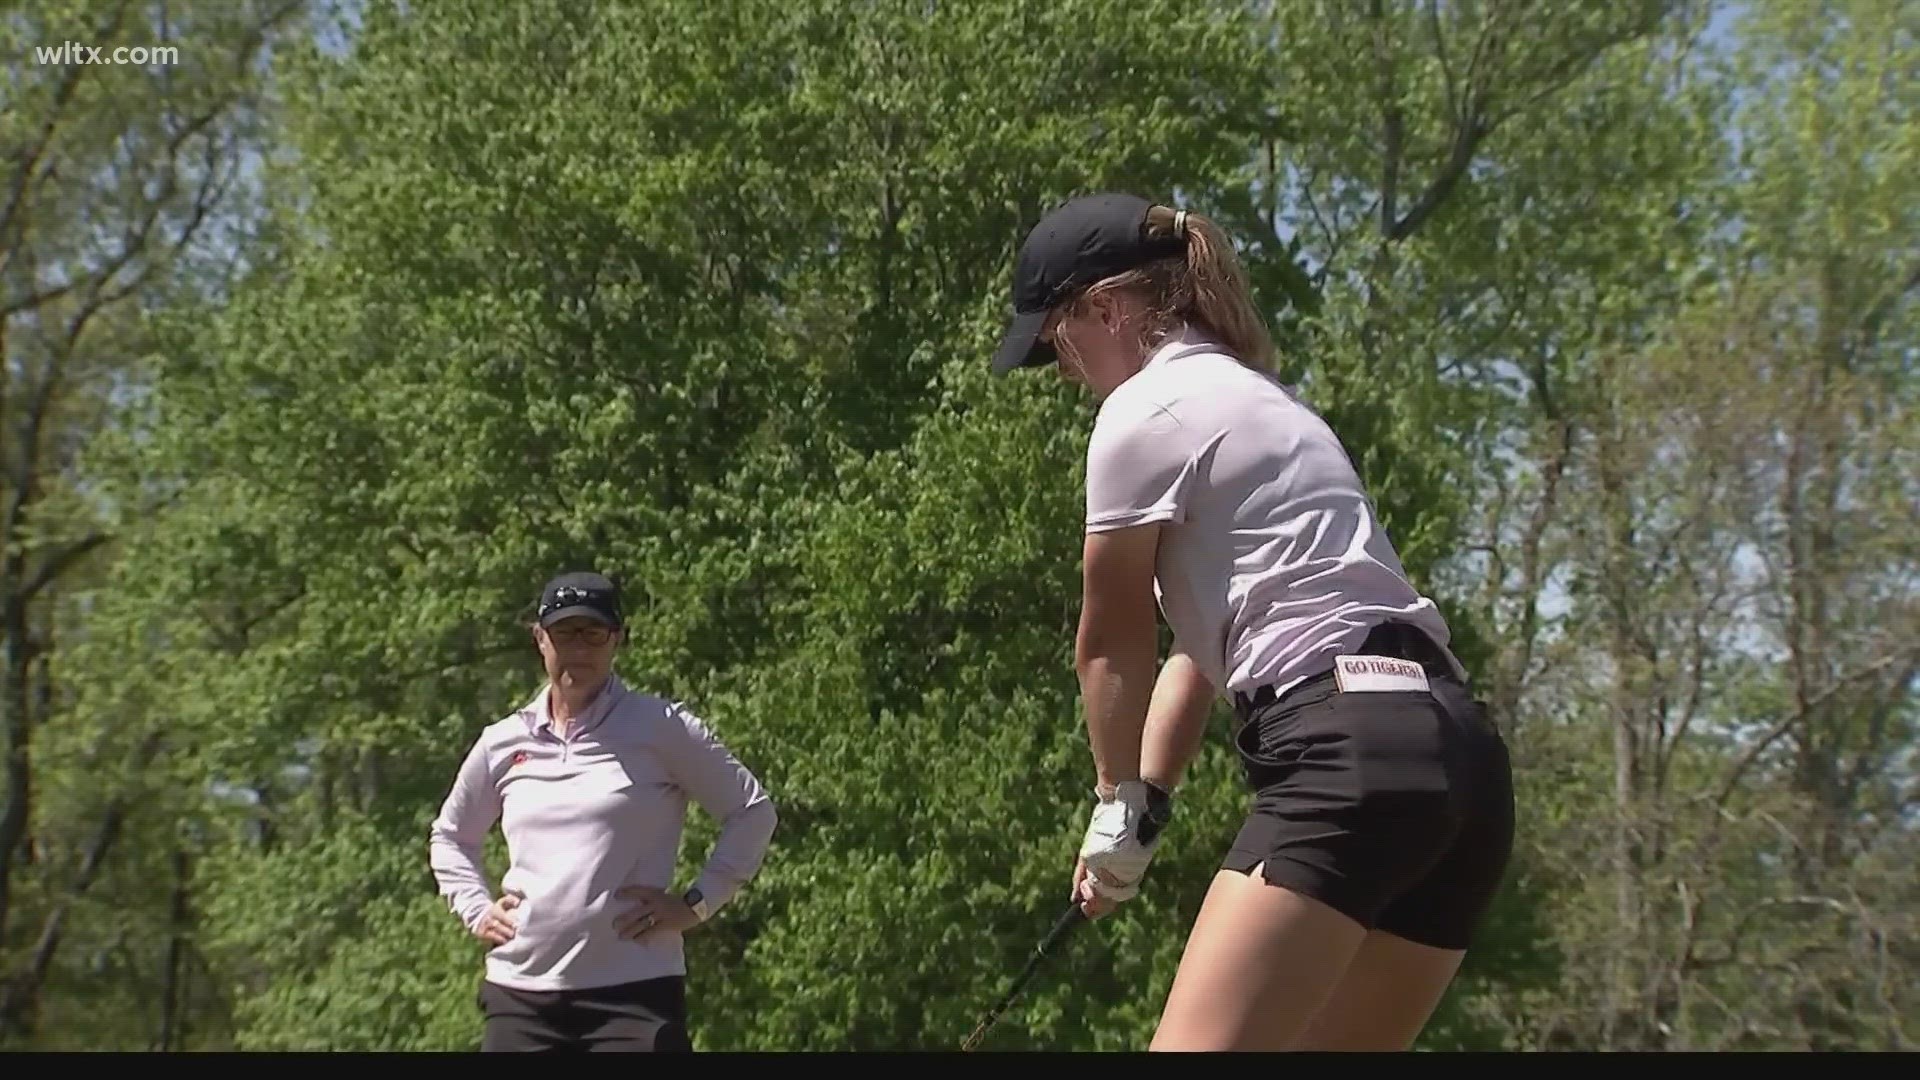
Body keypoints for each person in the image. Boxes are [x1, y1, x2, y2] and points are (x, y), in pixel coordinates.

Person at [989, 192, 1515, 1051]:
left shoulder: (1141, 415)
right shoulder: (1267, 405)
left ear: (1106, 307)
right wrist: (1141, 809)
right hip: (1461, 763)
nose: (1068, 372)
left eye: (1059, 344)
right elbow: (1202, 657)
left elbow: (1112, 636)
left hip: (1348, 756)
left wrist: (1109, 797)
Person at [428, 571, 778, 1052]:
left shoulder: (660, 727)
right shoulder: (503, 742)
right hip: (522, 996)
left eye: (594, 633)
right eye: (565, 632)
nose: (579, 648)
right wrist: (475, 909)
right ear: (540, 639)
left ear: (617, 640)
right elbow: (450, 837)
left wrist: (697, 904)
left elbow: (752, 811)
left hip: (633, 997)